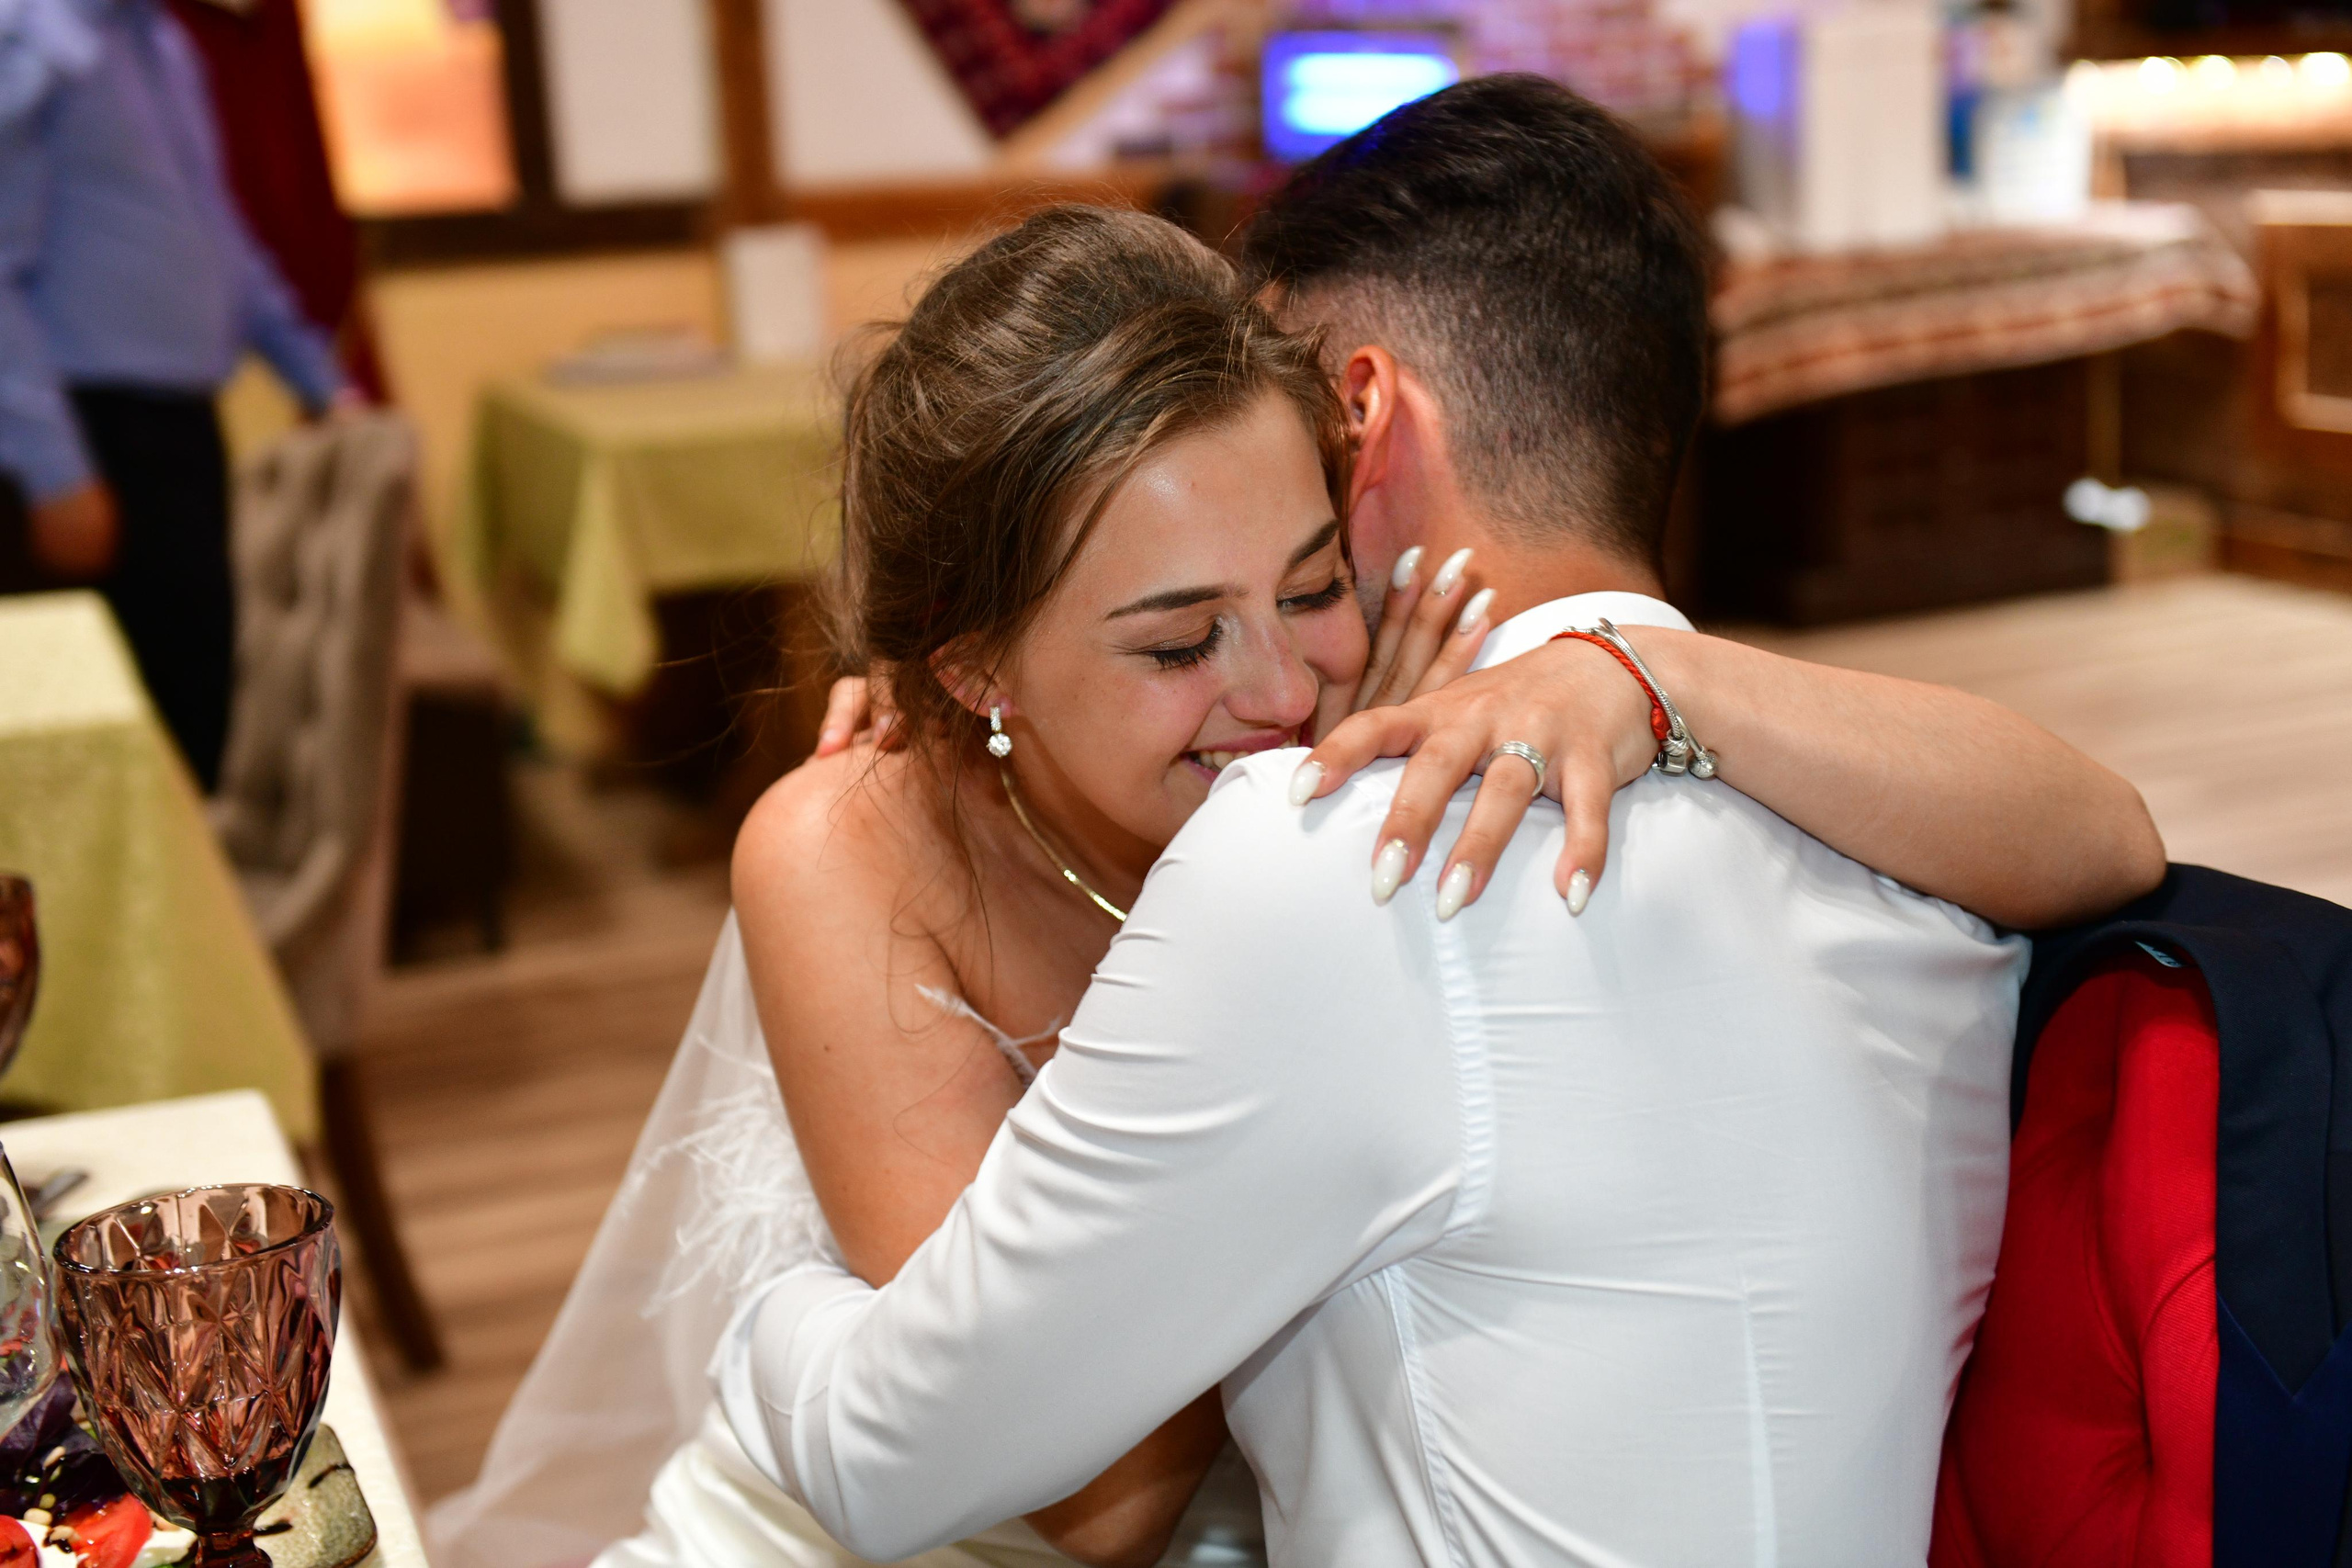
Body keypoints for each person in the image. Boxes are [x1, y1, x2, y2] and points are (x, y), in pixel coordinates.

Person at [434, 178, 2163, 1568]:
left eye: (1315, 583)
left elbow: (2109, 833)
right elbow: (1074, 1500)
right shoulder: (873, 838)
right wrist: (774, 1305)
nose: (1281, 690)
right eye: (1179, 637)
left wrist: (1656, 683)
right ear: (974, 669)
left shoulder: (1411, 812)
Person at [0, 0, 349, 789]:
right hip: (88, 438)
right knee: (118, 742)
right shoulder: (32, 41)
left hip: (179, 428)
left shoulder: (164, 41)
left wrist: (318, 380)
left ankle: (203, 906)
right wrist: (57, 471)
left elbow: (218, 234)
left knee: (201, 699)